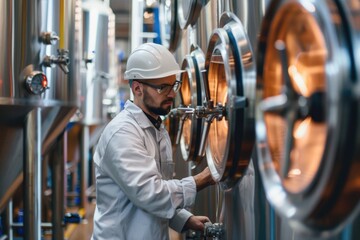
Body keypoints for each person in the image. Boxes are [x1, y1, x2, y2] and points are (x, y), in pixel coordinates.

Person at [91, 43, 215, 239]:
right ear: (138, 89)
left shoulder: (156, 128)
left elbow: (157, 192)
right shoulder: (123, 133)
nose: (173, 94)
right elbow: (151, 194)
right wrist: (202, 179)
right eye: (163, 88)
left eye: (173, 85)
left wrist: (183, 219)